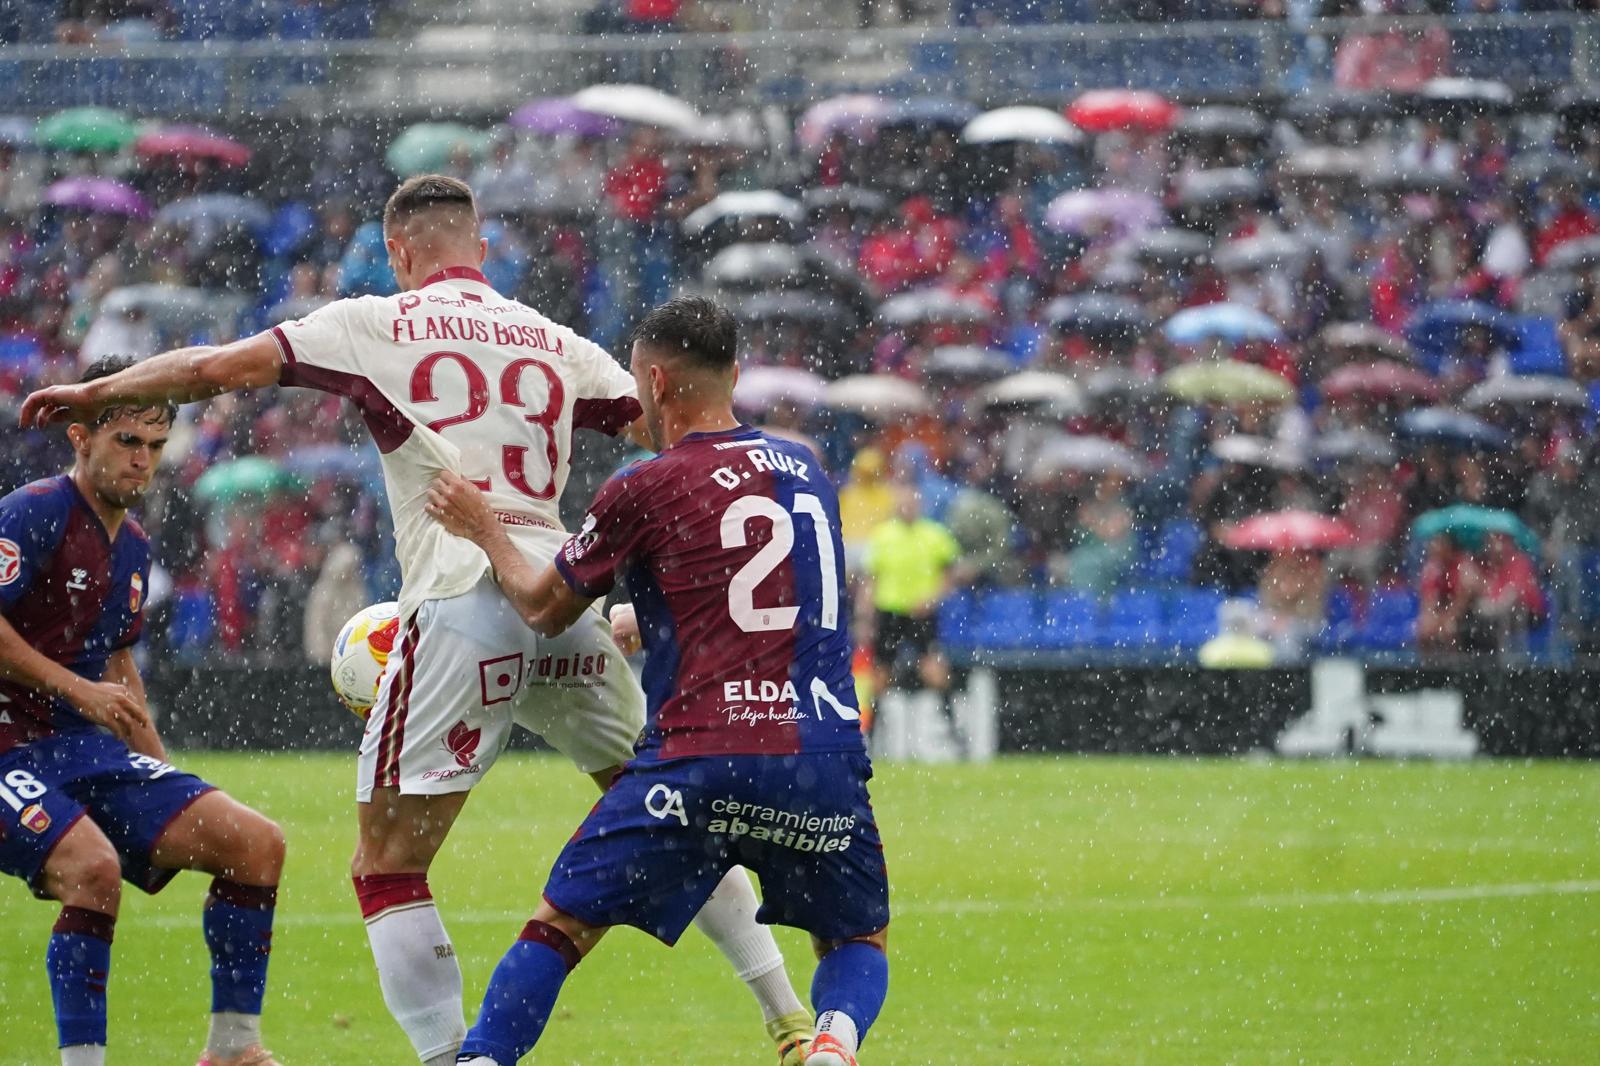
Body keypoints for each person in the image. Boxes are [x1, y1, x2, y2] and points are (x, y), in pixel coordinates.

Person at [19, 177, 813, 1066]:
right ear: (479, 248)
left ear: (400, 254)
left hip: (463, 598)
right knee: (673, 814)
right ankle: (789, 1018)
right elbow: (678, 438)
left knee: (387, 867)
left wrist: (99, 395)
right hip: (557, 595)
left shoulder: (373, 325)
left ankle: (449, 1059)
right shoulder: (552, 340)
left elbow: (211, 370)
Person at [424, 296, 890, 1066]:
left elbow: (543, 607)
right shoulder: (806, 469)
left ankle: (481, 1060)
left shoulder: (644, 486)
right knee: (857, 934)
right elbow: (785, 597)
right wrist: (658, 614)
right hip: (821, 757)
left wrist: (483, 527)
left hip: (700, 762)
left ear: (656, 381)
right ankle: (833, 1046)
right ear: (734, 375)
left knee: (562, 926)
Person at [1, 356, 286, 1066]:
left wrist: (159, 776)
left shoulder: (132, 547)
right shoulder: (33, 511)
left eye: (155, 447)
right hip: (7, 746)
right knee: (92, 869)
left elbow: (120, 667)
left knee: (256, 844)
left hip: (80, 749)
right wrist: (78, 691)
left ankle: (233, 1050)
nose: (142, 461)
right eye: (127, 441)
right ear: (79, 438)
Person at [859, 484, 967, 756]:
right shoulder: (883, 536)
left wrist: (933, 597)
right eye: (903, 502)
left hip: (922, 613)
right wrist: (865, 615)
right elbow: (871, 579)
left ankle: (954, 733)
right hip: (890, 611)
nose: (908, 507)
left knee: (933, 670)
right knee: (880, 676)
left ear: (920, 505)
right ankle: (870, 738)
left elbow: (952, 574)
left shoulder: (934, 535)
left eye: (912, 502)